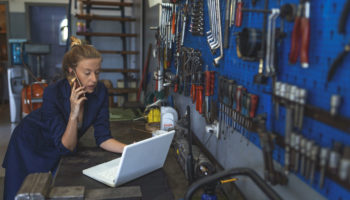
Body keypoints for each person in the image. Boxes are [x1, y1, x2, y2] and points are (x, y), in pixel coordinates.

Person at [2, 36, 126, 200]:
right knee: (23, 193)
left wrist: (130, 150)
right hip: (30, 143)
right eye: (87, 73)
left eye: (97, 72)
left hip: (58, 145)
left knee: (53, 188)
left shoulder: (100, 91)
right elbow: (66, 147)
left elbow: (103, 138)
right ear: (71, 71)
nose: (94, 79)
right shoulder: (53, 93)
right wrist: (74, 113)